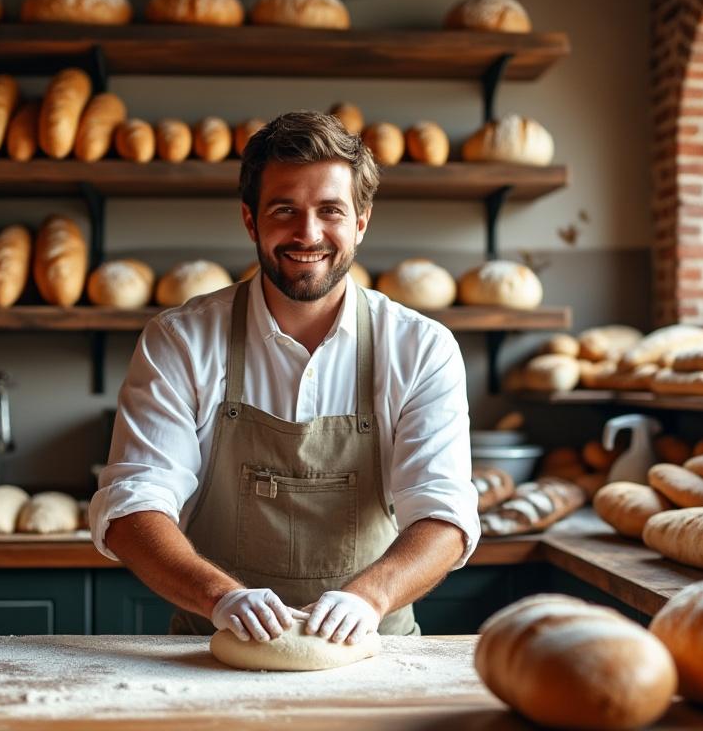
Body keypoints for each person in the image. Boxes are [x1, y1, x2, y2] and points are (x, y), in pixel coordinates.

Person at [89, 110, 478, 646]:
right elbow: (134, 502)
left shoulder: (419, 347)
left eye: (331, 211)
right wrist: (218, 596)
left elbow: (444, 512)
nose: (308, 233)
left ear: (361, 221)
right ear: (251, 220)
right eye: (284, 210)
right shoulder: (181, 340)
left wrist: (370, 598)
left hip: (374, 654)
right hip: (210, 655)